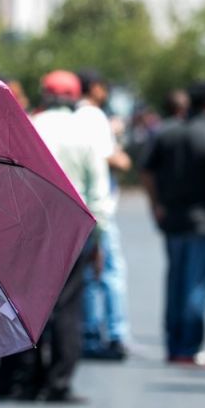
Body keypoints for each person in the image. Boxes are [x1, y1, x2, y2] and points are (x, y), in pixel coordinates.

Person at [0, 70, 110, 403]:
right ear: (74, 98)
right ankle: (58, 381)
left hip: (29, 225)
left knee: (27, 303)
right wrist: (98, 237)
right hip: (74, 225)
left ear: (45, 95)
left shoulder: (28, 125)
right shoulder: (85, 134)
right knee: (67, 306)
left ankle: (23, 377)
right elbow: (98, 193)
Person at [142, 82, 205, 366]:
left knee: (175, 282)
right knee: (196, 284)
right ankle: (189, 347)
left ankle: (174, 344)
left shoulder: (167, 132)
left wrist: (155, 205)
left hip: (172, 219)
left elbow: (147, 172)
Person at [75, 69, 132, 360]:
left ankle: (88, 332)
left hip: (79, 207)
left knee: (86, 273)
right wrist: (123, 155)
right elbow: (107, 157)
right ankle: (115, 333)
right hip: (101, 207)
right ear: (94, 88)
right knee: (110, 271)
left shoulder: (74, 116)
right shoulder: (95, 117)